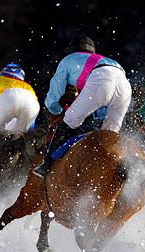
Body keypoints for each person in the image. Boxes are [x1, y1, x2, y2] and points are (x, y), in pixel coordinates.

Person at [33, 36, 132, 178]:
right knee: (108, 134)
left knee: (70, 120)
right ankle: (111, 172)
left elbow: (57, 89)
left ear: (71, 51)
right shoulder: (106, 59)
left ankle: (46, 164)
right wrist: (96, 117)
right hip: (125, 84)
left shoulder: (68, 60)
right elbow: (104, 101)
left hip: (101, 79)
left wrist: (55, 109)